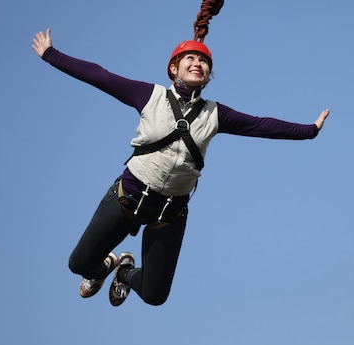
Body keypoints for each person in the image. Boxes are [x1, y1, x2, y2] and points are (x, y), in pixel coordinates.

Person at [31, 28, 330, 306]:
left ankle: (124, 272)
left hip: (168, 214)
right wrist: (51, 55)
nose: (198, 63)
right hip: (126, 198)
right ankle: (104, 267)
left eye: (204, 61)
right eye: (191, 58)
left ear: (209, 74)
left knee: (154, 295)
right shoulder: (150, 96)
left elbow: (260, 125)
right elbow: (101, 77)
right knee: (78, 264)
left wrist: (310, 130)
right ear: (174, 68)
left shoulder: (216, 114)